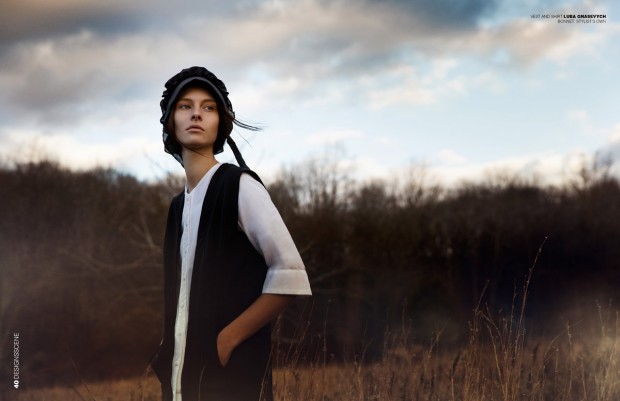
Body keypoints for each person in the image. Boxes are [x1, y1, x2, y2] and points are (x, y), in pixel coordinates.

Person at [150, 66, 312, 401]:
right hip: (182, 383)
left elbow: (290, 273)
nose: (196, 114)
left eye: (208, 107)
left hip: (231, 383)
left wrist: (227, 340)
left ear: (221, 122)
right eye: (185, 106)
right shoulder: (178, 206)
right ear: (170, 121)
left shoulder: (239, 185)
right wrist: (169, 348)